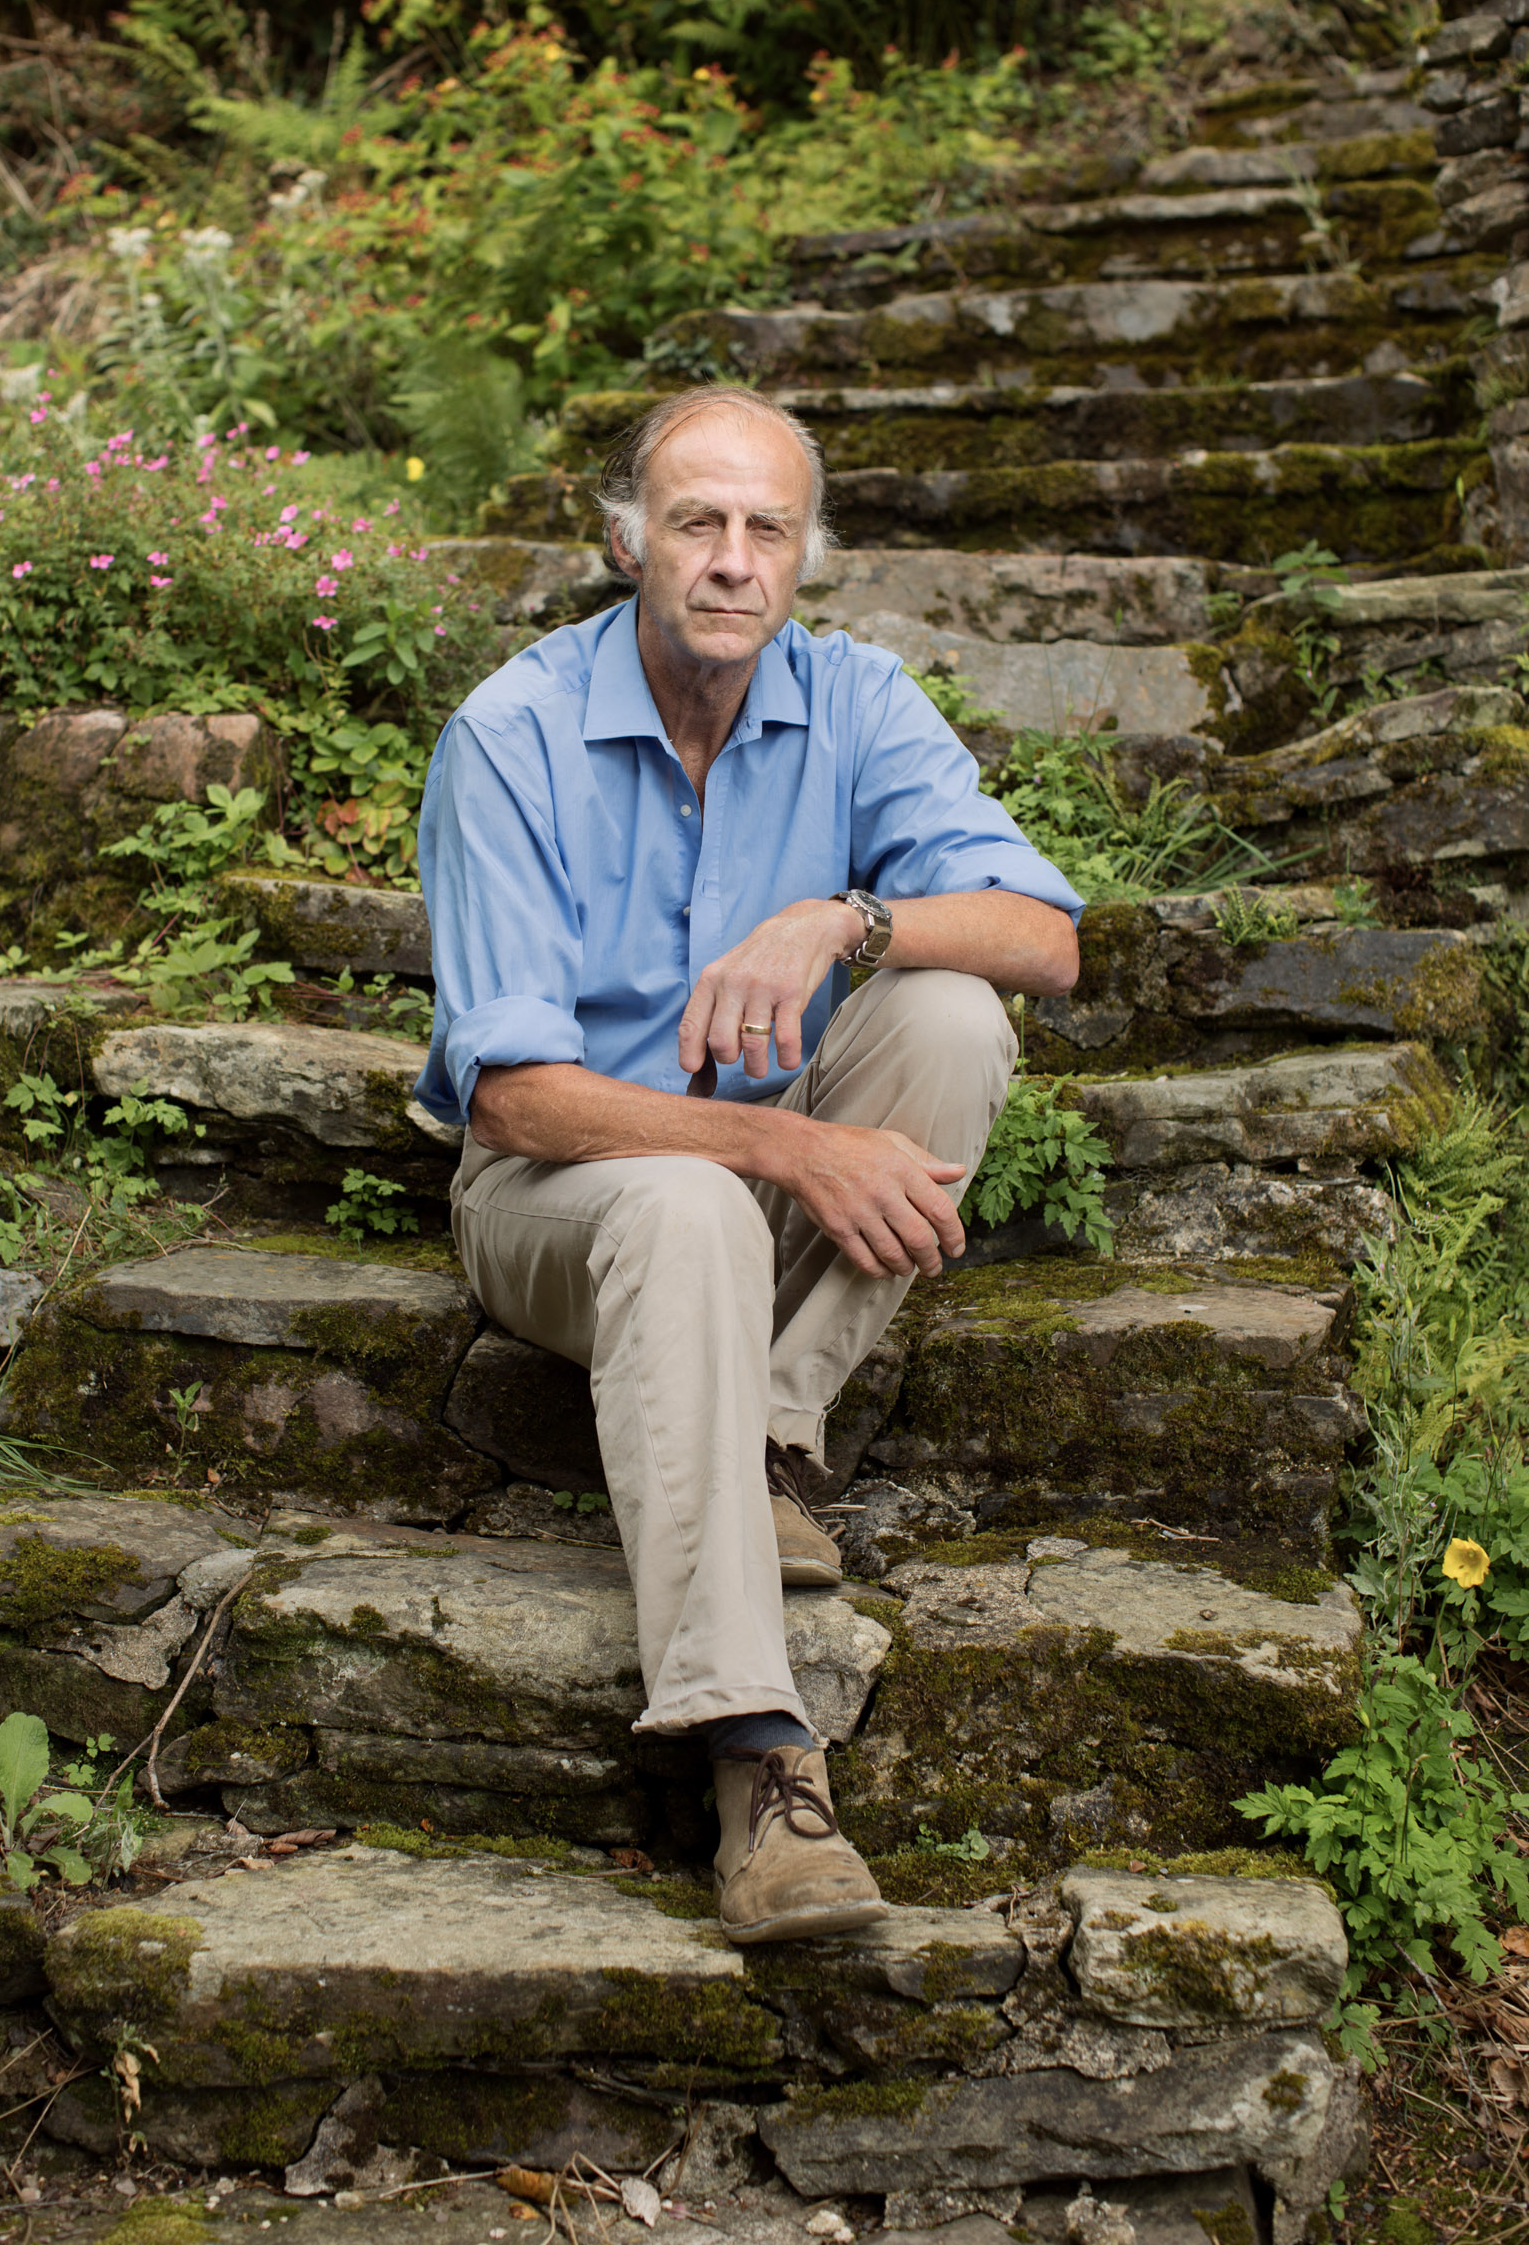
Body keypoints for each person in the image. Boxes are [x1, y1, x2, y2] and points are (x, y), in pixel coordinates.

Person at [416, 386, 1083, 1944]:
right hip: (563, 1210)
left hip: (749, 1208)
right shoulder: (510, 736)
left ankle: (774, 1437)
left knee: (950, 1014)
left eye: (765, 528)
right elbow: (512, 1103)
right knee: (684, 1194)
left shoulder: (852, 700)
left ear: (805, 555)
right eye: (696, 522)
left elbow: (1045, 939)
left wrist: (840, 920)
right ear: (626, 539)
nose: (730, 559)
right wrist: (780, 1137)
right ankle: (757, 1759)